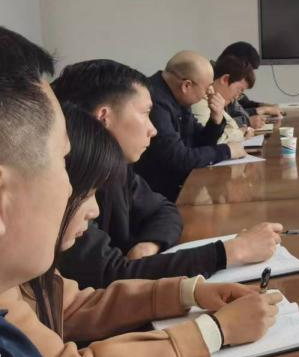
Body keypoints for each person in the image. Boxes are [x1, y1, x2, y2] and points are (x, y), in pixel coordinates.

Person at [0, 26, 266, 357]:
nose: (82, 201)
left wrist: (189, 291)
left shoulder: (16, 280)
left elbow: (74, 304)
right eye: (61, 162)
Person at [2, 104, 281, 357]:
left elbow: (72, 306)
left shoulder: (21, 268)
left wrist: (188, 293)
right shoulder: (13, 271)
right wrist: (215, 331)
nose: (94, 210)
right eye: (80, 190)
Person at [52, 59, 281, 289]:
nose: (153, 130)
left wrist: (149, 244)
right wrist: (232, 252)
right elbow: (113, 275)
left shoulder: (117, 167)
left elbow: (164, 209)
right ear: (104, 117)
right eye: (145, 114)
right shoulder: (68, 183)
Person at [134, 51, 245, 200]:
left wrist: (216, 120)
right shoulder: (154, 101)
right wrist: (226, 151)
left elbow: (197, 142)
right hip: (155, 195)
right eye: (207, 88)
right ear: (187, 85)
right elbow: (179, 158)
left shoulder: (176, 95)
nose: (209, 93)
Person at [217, 41, 282, 130]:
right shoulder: (211, 83)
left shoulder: (231, 88)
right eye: (248, 69)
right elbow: (225, 121)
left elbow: (242, 105)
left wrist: (265, 106)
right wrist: (262, 110)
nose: (250, 74)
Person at [193, 55, 257, 144]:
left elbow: (233, 127)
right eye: (239, 90)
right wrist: (241, 133)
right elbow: (217, 139)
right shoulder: (199, 101)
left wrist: (238, 132)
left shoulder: (216, 100)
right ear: (225, 79)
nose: (237, 97)